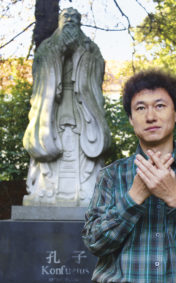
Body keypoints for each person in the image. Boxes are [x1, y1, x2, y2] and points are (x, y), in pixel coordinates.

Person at [82, 69, 176, 283]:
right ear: (130, 118)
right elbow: (94, 242)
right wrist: (133, 198)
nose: (150, 117)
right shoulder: (111, 175)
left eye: (159, 106)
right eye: (140, 108)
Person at [23, 8, 110, 206]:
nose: (70, 20)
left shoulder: (90, 48)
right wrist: (59, 54)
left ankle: (86, 193)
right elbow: (40, 70)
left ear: (79, 23)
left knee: (81, 148)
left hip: (82, 107)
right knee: (52, 143)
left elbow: (97, 72)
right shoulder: (47, 47)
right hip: (54, 108)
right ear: (60, 22)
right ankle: (45, 192)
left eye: (74, 18)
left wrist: (80, 53)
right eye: (66, 17)